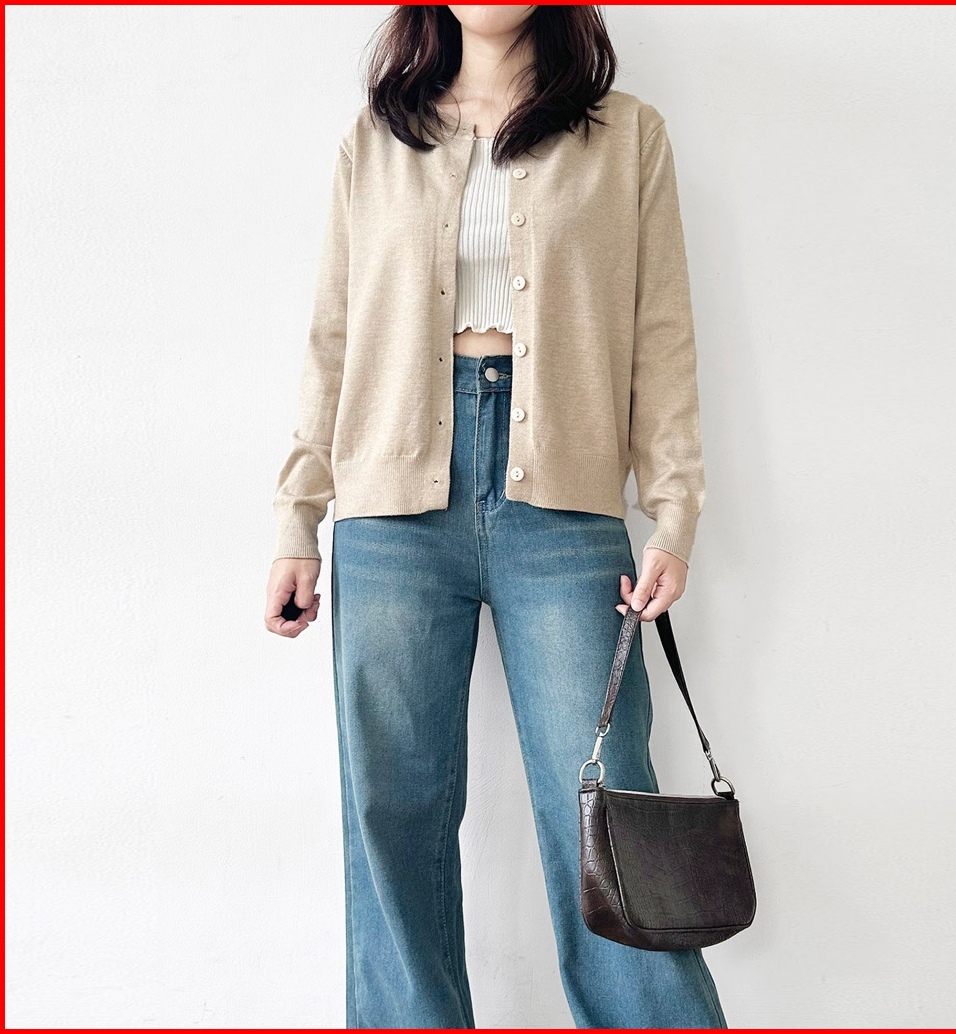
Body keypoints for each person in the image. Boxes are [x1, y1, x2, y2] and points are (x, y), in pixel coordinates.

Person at [264, 5, 726, 1029]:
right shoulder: (375, 138)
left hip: (563, 504)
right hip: (390, 504)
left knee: (604, 805)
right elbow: (332, 335)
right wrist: (298, 513)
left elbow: (661, 333)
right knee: (391, 809)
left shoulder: (625, 134)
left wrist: (673, 511)